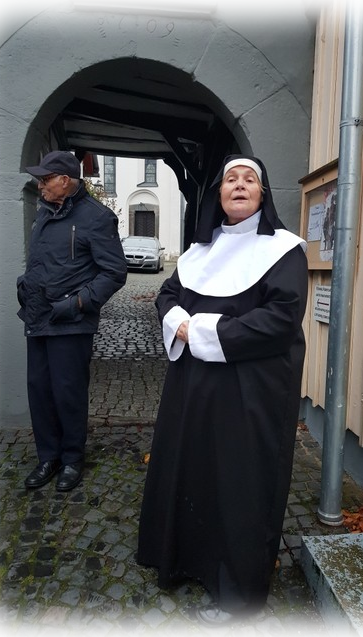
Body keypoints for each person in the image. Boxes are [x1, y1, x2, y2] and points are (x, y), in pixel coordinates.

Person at [137, 155, 308, 627]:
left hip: (247, 392)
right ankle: (185, 559)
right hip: (193, 388)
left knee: (238, 483)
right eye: (231, 179)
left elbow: (280, 320)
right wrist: (179, 322)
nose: (239, 185)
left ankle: (239, 591)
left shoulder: (285, 251)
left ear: (262, 194)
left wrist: (202, 332)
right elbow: (168, 294)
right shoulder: (199, 251)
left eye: (249, 179)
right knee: (193, 469)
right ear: (219, 194)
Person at [17, 151, 127, 491]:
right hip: (38, 316)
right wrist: (25, 286)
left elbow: (114, 272)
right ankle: (48, 457)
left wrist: (78, 302)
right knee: (40, 391)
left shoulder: (96, 217)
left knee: (68, 393)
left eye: (45, 179)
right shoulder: (44, 212)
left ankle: (71, 459)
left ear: (65, 180)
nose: (40, 185)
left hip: (71, 321)